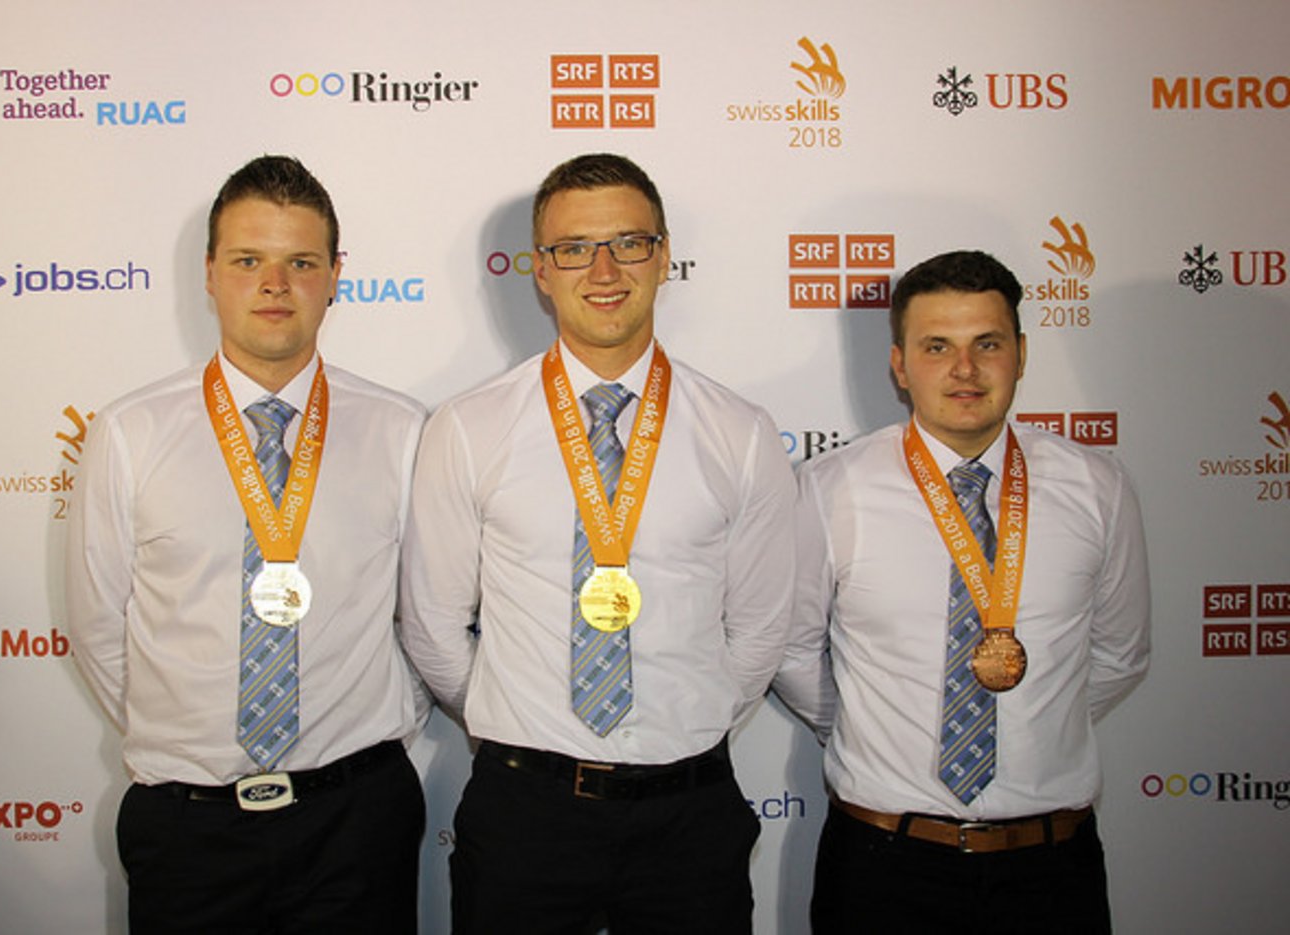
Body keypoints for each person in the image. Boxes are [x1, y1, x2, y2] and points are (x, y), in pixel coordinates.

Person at [400, 152, 795, 933]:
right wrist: (521, 730)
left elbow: (758, 633)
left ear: (664, 256)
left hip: (690, 814)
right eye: (575, 248)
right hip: (525, 814)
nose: (604, 268)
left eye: (629, 242)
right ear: (540, 271)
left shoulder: (740, 432)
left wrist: (685, 726)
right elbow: (434, 625)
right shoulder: (469, 427)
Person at [65, 155, 427, 933]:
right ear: (208, 273)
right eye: (248, 260)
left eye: (300, 261)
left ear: (336, 275)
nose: (275, 284)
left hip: (355, 821)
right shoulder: (130, 432)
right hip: (189, 829)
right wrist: (186, 740)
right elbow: (100, 628)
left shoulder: (401, 430)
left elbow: (427, 616)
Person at [773, 249, 1151, 933]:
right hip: (882, 865)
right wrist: (869, 729)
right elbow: (792, 651)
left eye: (987, 343)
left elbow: (1121, 653)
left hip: (1051, 868)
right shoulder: (830, 490)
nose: (965, 369)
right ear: (899, 363)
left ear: (1021, 352)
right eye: (936, 346)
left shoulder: (1098, 486)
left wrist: (1036, 718)